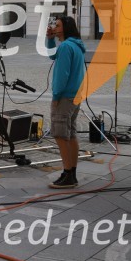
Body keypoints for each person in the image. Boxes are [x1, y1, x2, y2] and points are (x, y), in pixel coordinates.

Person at [45, 16, 86, 189]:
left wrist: (56, 97)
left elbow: (62, 75)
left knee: (60, 135)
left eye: (58, 25)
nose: (55, 27)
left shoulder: (66, 47)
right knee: (70, 134)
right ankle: (71, 173)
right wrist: (49, 40)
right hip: (75, 95)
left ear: (66, 28)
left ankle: (68, 173)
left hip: (65, 97)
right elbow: (52, 55)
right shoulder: (75, 45)